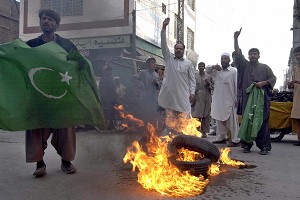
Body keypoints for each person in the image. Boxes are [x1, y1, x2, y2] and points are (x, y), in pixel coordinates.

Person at [26, 9, 78, 177]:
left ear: (56, 24)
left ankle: (66, 161)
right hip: (38, 97)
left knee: (66, 128)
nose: (45, 21)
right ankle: (39, 164)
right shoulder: (31, 45)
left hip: (61, 97)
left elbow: (77, 67)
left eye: (49, 19)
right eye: (43, 19)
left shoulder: (67, 45)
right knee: (35, 128)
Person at [234, 28, 276, 154]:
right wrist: (235, 39)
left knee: (261, 121)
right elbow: (237, 53)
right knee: (247, 120)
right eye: (250, 54)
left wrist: (264, 83)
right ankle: (246, 145)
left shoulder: (265, 67)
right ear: (248, 56)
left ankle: (264, 147)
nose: (252, 55)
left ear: (259, 55)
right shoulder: (244, 65)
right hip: (247, 98)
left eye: (255, 54)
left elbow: (273, 78)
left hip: (261, 100)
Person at [158, 18, 196, 131]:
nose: (178, 50)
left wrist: (192, 93)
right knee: (169, 120)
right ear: (174, 49)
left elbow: (192, 80)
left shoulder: (189, 63)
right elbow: (163, 44)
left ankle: (184, 141)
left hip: (183, 95)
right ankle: (169, 141)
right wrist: (164, 28)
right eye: (176, 48)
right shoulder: (169, 58)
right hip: (169, 94)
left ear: (183, 50)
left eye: (180, 49)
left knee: (184, 118)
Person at [206, 53, 240, 147]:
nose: (223, 60)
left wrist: (236, 98)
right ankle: (221, 138)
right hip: (218, 100)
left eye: (225, 58)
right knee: (219, 120)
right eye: (222, 59)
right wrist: (213, 66)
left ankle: (236, 140)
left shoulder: (234, 71)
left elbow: (236, 85)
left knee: (232, 121)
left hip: (230, 100)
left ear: (229, 60)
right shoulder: (216, 71)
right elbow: (207, 70)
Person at [132, 57, 161, 126]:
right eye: (152, 63)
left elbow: (159, 86)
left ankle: (152, 130)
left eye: (155, 63)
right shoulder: (143, 73)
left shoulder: (156, 75)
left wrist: (157, 83)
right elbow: (134, 78)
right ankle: (144, 129)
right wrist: (142, 85)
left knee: (153, 114)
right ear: (148, 64)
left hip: (153, 98)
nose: (154, 65)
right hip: (145, 98)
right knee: (145, 114)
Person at [192, 62, 213, 138]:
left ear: (204, 67)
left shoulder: (209, 76)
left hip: (207, 96)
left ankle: (204, 132)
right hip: (197, 96)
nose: (201, 67)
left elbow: (212, 87)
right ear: (198, 67)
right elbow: (192, 85)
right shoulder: (194, 75)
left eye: (202, 66)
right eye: (200, 66)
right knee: (197, 114)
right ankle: (196, 130)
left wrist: (209, 83)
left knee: (206, 114)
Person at [99, 65, 118, 130]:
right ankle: (107, 125)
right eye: (109, 70)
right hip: (107, 99)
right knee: (108, 112)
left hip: (110, 98)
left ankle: (111, 125)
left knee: (112, 111)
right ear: (106, 71)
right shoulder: (105, 79)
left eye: (111, 70)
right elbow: (106, 90)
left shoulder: (110, 78)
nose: (110, 72)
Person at [288, 46, 300, 146]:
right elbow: (293, 85)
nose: (298, 56)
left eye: (299, 54)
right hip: (297, 97)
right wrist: (290, 84)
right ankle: (299, 139)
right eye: (296, 55)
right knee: (297, 118)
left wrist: (296, 81)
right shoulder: (295, 68)